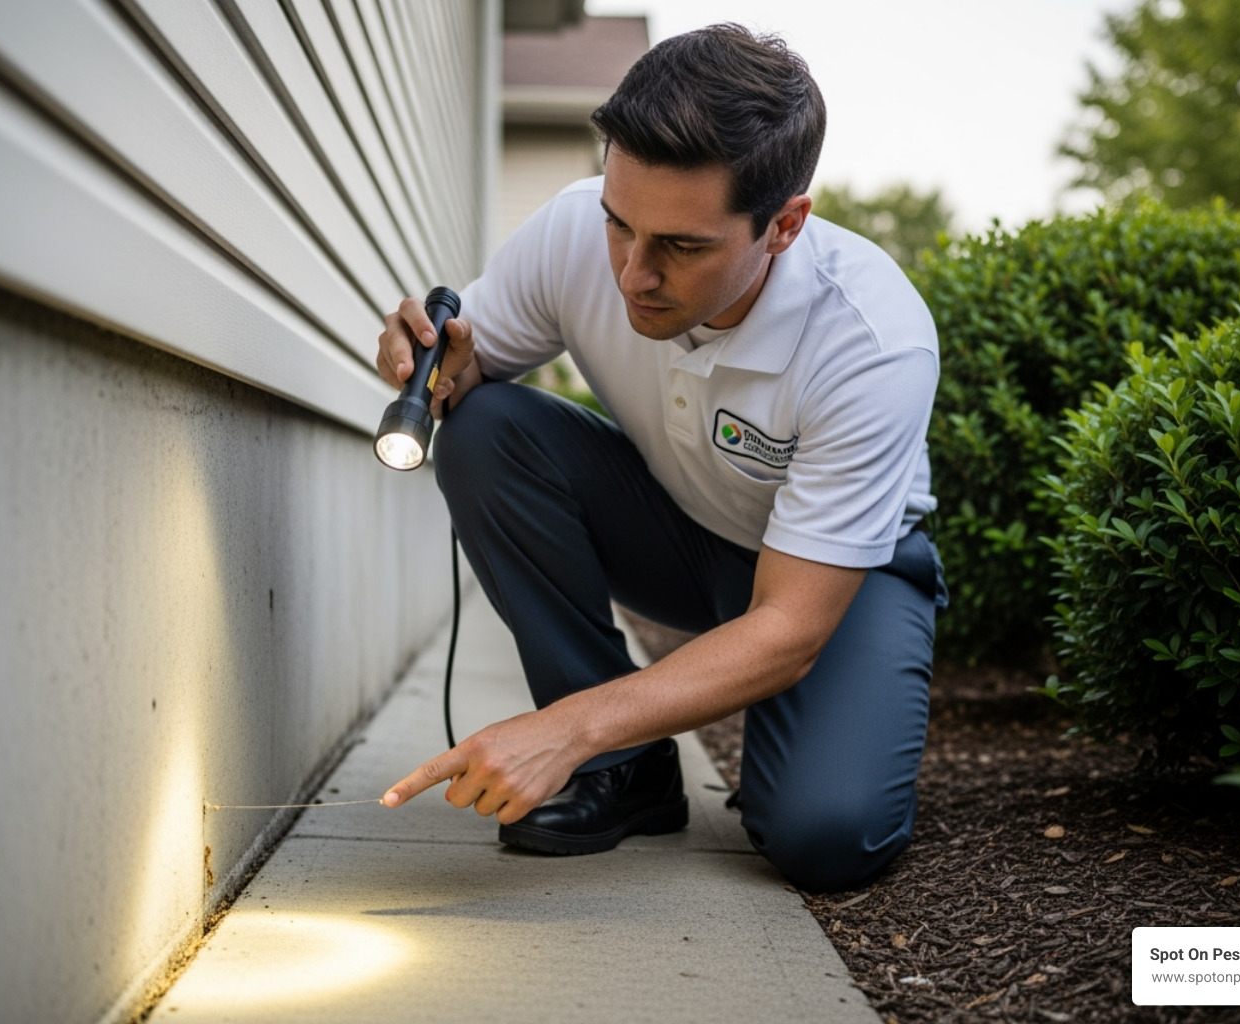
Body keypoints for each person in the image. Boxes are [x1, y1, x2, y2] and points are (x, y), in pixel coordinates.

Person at [374, 23, 944, 893]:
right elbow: (466, 367)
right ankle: (628, 772)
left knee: (826, 837)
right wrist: (427, 367)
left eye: (681, 247)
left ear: (784, 226)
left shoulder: (870, 342)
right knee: (487, 429)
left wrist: (566, 726)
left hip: (830, 582)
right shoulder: (575, 231)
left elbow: (789, 629)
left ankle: (603, 735)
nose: (633, 273)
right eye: (619, 224)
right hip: (678, 534)